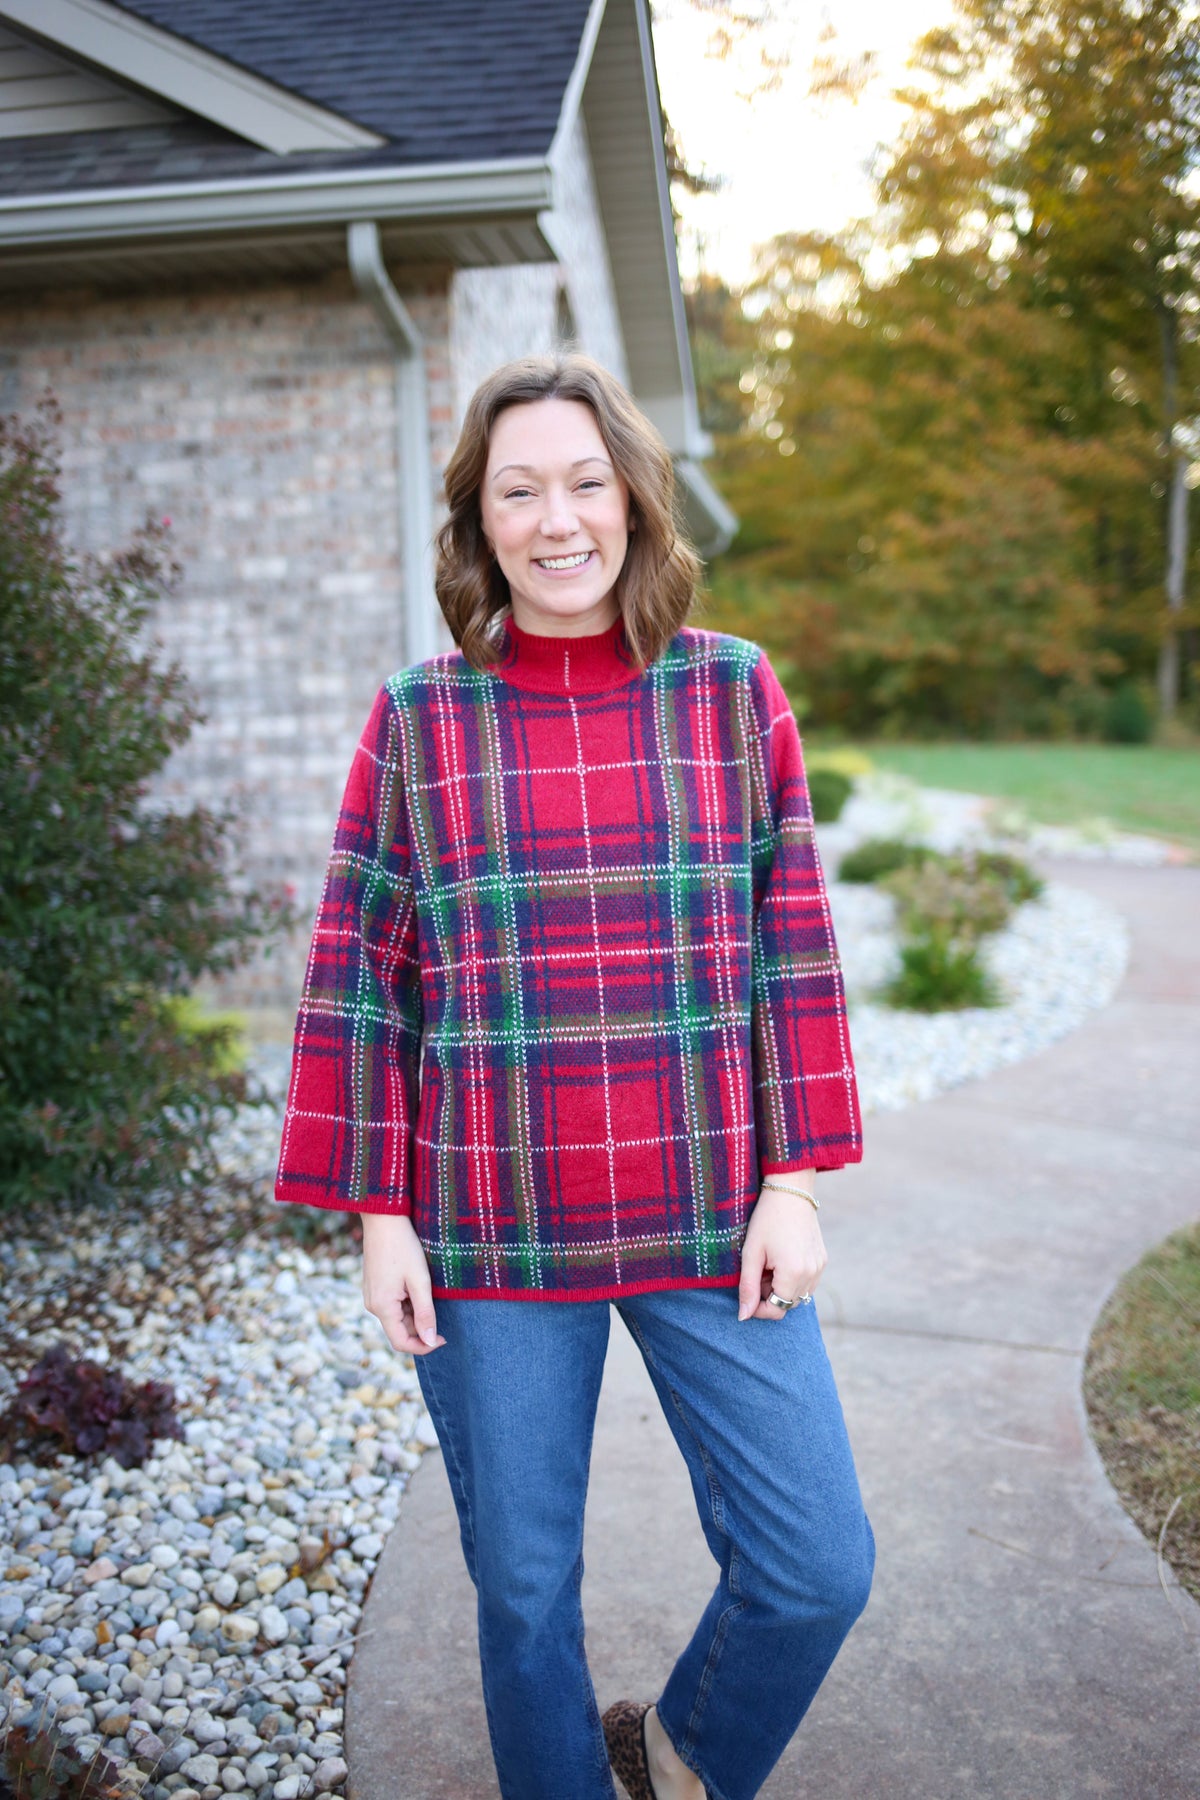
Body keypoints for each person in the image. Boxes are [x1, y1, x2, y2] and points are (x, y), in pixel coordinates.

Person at [275, 352, 875, 1800]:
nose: (557, 520)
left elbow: (790, 944)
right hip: (488, 1222)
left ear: (634, 501)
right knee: (524, 1592)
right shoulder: (421, 717)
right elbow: (360, 972)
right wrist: (379, 1214)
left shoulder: (733, 692)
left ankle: (673, 1760)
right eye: (517, 491)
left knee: (815, 1564)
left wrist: (793, 1183)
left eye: (585, 483)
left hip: (707, 1206)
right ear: (478, 525)